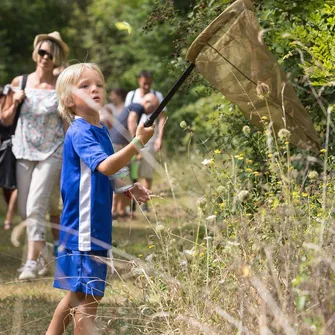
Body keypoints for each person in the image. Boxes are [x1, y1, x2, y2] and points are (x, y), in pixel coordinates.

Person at [46, 63, 154, 335]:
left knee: (76, 295)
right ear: (70, 101)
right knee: (89, 297)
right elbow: (104, 166)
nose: (94, 88)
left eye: (98, 84)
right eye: (84, 86)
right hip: (84, 228)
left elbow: (111, 172)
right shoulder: (80, 130)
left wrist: (128, 188)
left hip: (93, 226)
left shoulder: (100, 130)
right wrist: (138, 143)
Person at [0, 31, 69, 280]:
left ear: (57, 58)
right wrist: (15, 101)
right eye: (41, 52)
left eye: (50, 54)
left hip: (52, 152)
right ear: (35, 53)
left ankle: (30, 263)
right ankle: (44, 254)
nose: (45, 57)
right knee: (24, 210)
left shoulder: (61, 85)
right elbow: (5, 118)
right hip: (23, 150)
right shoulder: (20, 81)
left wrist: (73, 151)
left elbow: (66, 122)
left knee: (36, 205)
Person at [109, 92, 159, 219]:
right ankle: (113, 211)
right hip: (119, 144)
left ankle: (121, 210)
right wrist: (136, 141)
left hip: (119, 143)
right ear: (147, 102)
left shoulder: (136, 107)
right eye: (153, 107)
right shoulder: (137, 106)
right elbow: (131, 120)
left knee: (126, 176)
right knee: (121, 176)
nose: (152, 112)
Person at [125, 70, 167, 211]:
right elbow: (127, 116)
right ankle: (131, 202)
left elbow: (162, 118)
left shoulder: (157, 95)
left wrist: (159, 137)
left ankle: (144, 203)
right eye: (144, 82)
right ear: (139, 81)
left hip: (150, 138)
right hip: (132, 138)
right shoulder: (132, 96)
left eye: (149, 82)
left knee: (147, 171)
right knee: (132, 171)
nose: (147, 85)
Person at [0, 85, 18, 230]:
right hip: (3, 152)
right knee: (7, 188)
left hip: (13, 150)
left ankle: (9, 219)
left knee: (15, 186)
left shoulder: (14, 107)